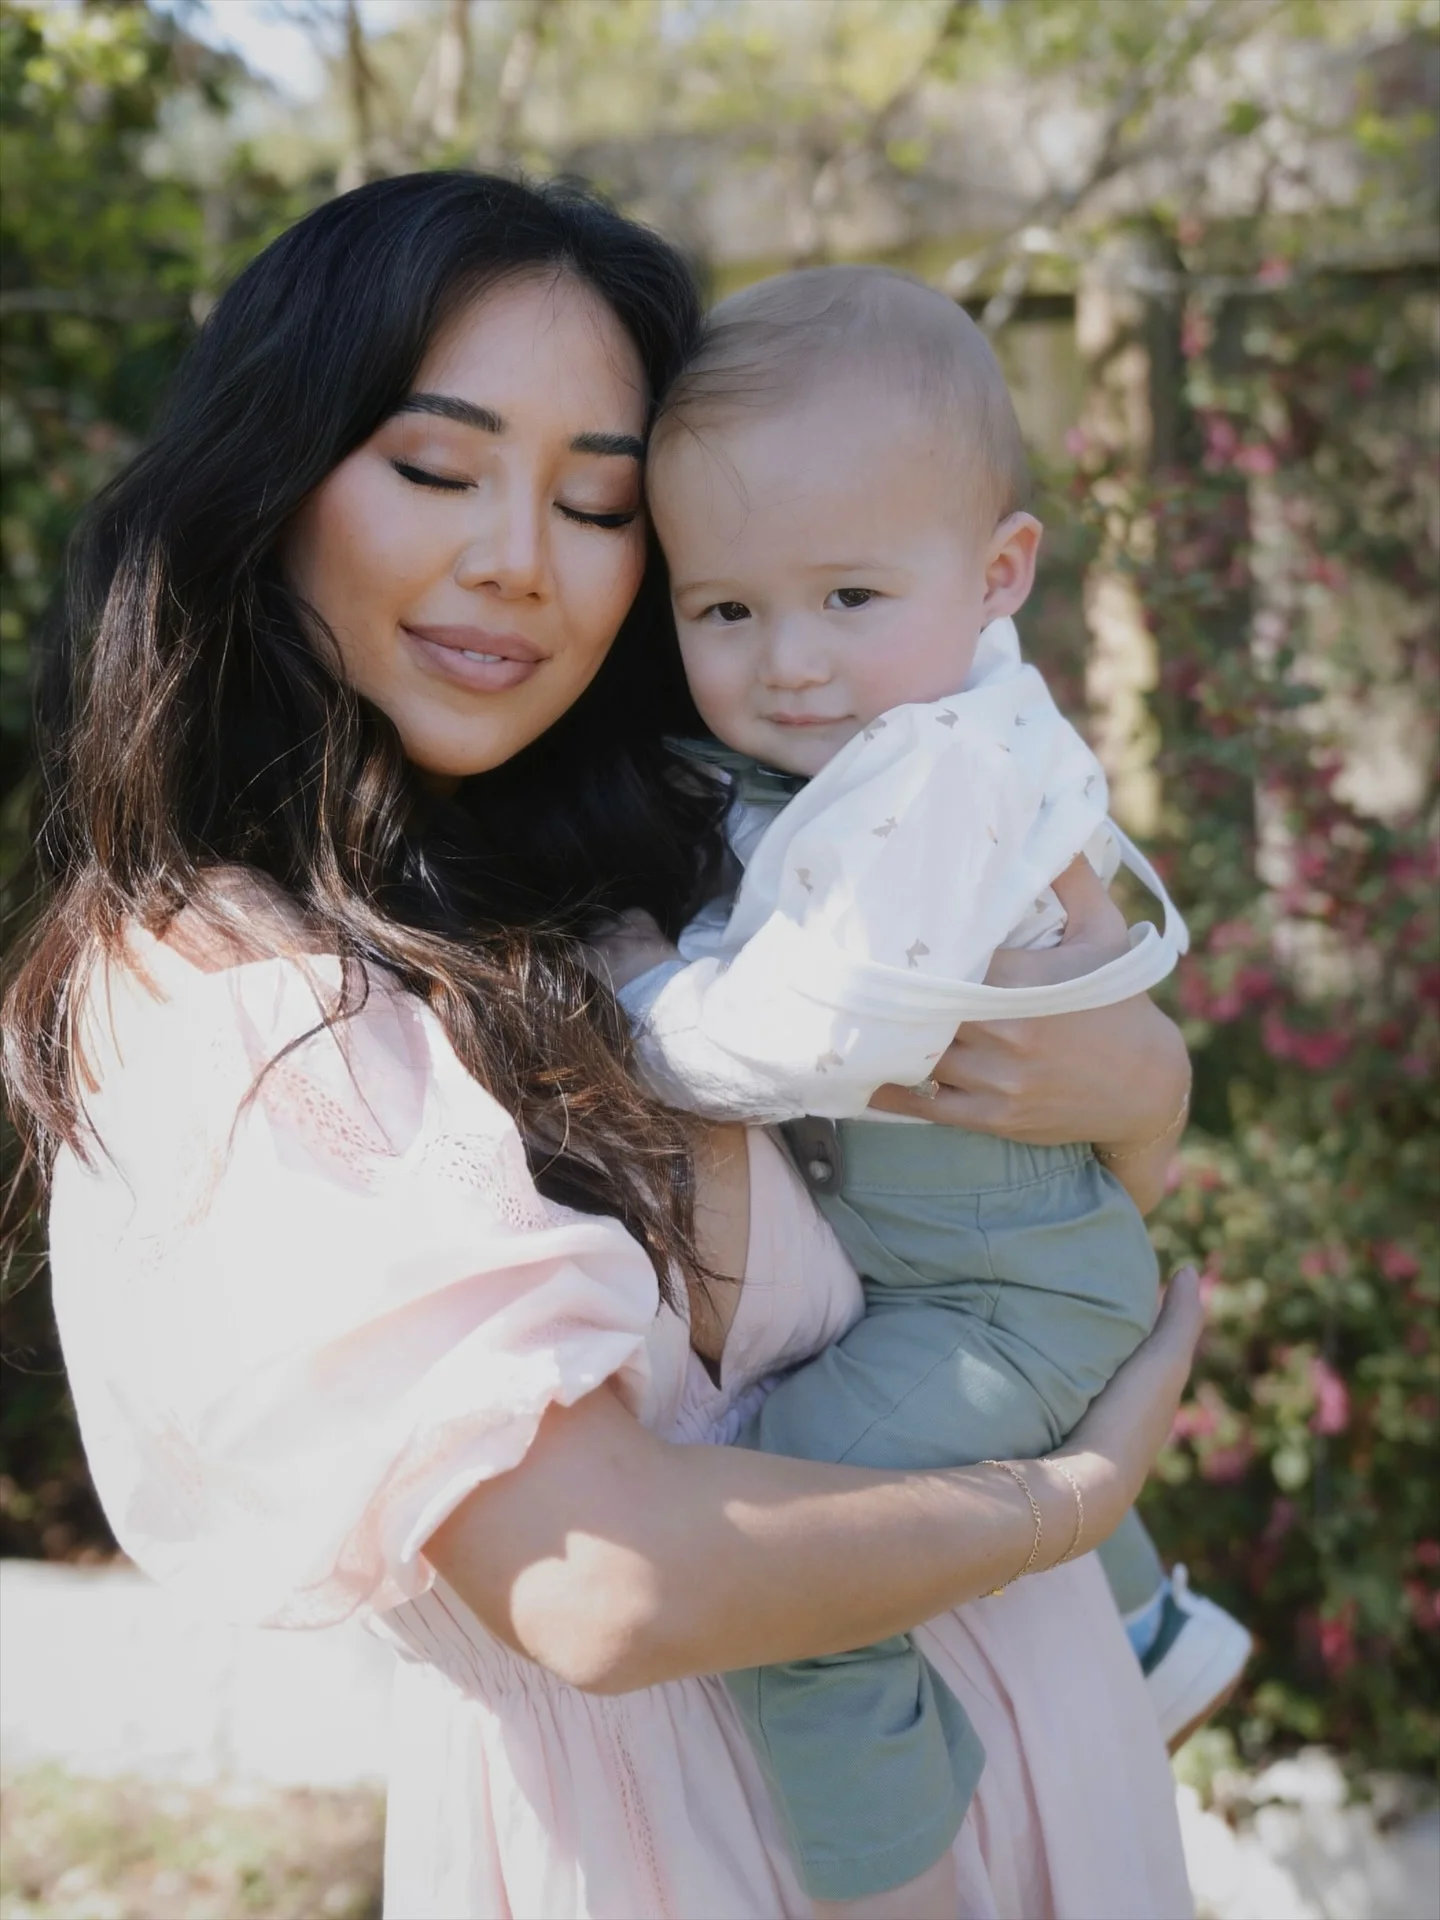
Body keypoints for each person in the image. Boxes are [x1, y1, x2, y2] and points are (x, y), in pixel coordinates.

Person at [2, 173, 1202, 1920]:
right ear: (270, 478)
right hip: (693, 1855)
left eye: (597, 503)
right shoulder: (224, 988)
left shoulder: (653, 853)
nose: (517, 557)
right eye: (436, 469)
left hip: (1041, 1772)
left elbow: (1066, 1125)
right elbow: (603, 1587)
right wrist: (1065, 1499)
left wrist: (1146, 1076)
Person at [591, 267, 1252, 1914]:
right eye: (726, 611)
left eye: (848, 598)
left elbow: (798, 1030)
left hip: (995, 1304)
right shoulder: (908, 729)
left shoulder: (939, 787)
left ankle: (888, 1866)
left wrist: (635, 1002)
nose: (790, 663)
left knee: (792, 1539)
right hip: (987, 1265)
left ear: (999, 574)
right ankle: (1148, 1628)